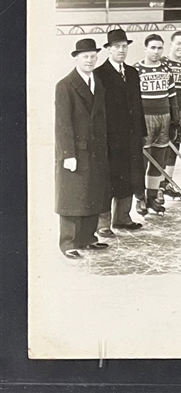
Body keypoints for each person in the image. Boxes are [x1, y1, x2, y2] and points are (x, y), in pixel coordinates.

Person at [55, 38, 111, 259]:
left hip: (96, 149)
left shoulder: (97, 82)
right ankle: (68, 243)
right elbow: (62, 124)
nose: (90, 60)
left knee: (92, 193)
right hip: (76, 151)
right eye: (85, 56)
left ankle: (88, 238)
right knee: (72, 196)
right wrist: (68, 154)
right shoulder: (65, 85)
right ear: (76, 58)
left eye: (93, 56)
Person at [93, 28, 146, 237]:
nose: (121, 50)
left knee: (130, 175)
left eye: (124, 46)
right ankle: (103, 224)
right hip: (109, 137)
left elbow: (138, 105)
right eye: (116, 47)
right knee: (109, 179)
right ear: (108, 49)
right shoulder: (99, 74)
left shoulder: (132, 73)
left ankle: (122, 217)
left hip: (131, 136)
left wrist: (142, 131)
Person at [135, 34, 181, 215]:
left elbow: (172, 97)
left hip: (164, 118)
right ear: (145, 48)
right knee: (142, 161)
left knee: (159, 160)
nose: (156, 52)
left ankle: (153, 197)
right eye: (153, 48)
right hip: (145, 119)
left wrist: (175, 121)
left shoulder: (166, 69)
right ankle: (140, 199)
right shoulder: (136, 70)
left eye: (160, 48)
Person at [160, 31, 181, 200]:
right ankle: (154, 186)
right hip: (164, 111)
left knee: (175, 147)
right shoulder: (162, 63)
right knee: (160, 148)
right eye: (178, 43)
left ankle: (166, 182)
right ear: (171, 44)